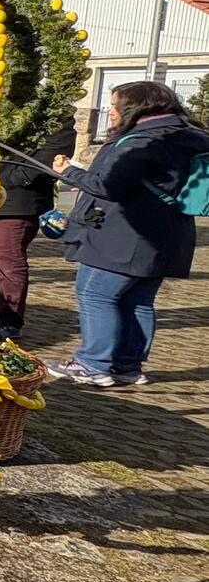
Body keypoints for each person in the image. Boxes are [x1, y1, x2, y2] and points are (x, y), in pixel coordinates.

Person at [47, 80, 209, 386]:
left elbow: (107, 186)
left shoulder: (142, 141)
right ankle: (127, 366)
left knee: (95, 294)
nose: (110, 112)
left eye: (113, 106)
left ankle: (92, 363)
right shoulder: (192, 136)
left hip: (126, 235)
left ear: (136, 107)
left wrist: (69, 172)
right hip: (169, 234)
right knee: (138, 300)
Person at [0, 116, 75, 341]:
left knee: (6, 258)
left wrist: (9, 178)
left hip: (19, 201)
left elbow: (53, 150)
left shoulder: (51, 113)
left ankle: (9, 320)